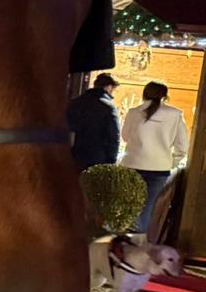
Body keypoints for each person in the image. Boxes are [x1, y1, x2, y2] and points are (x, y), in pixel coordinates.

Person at [119, 80, 190, 235]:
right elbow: (182, 146)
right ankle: (138, 240)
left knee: (129, 205)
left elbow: (125, 137)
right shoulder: (176, 114)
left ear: (145, 94)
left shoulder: (133, 112)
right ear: (165, 96)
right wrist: (172, 162)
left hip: (132, 164)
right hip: (159, 168)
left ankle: (123, 239)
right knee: (148, 207)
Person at [67, 72, 121, 172]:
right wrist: (111, 161)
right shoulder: (108, 107)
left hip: (75, 154)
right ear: (108, 87)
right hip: (98, 158)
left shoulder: (76, 102)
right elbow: (113, 137)